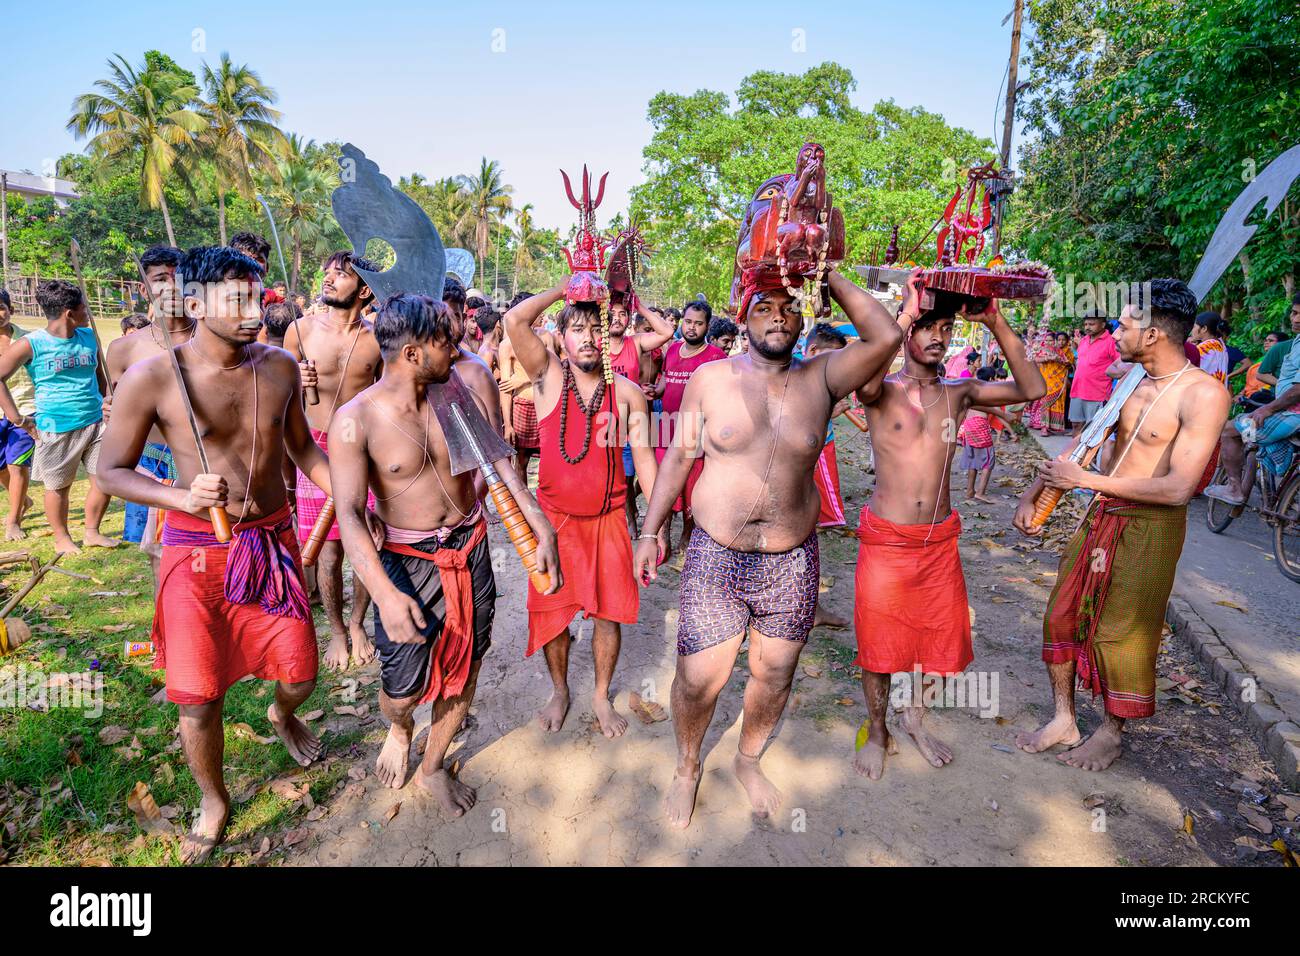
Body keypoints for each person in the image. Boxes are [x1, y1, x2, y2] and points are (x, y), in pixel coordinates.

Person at [633, 269, 902, 828]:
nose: (778, 315)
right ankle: (687, 767)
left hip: (791, 559)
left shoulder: (822, 376)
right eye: (764, 307)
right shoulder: (711, 378)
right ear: (744, 315)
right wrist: (650, 529)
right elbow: (680, 459)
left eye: (788, 306)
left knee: (774, 674)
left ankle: (748, 759)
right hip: (715, 554)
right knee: (699, 678)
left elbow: (885, 339)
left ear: (803, 316)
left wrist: (827, 271)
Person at [96, 245, 331, 862]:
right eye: (239, 298)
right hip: (196, 550)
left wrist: (354, 495)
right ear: (195, 303)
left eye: (259, 296)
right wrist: (179, 494)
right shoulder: (154, 375)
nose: (256, 309)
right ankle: (215, 797)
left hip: (272, 541)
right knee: (199, 696)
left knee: (301, 673)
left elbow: (303, 451)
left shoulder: (280, 366)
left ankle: (283, 717)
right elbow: (110, 471)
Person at [329, 293, 559, 808]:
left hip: (470, 547)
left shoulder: (452, 392)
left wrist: (539, 523)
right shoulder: (355, 419)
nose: (454, 345)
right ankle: (400, 727)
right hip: (406, 565)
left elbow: (499, 462)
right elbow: (348, 513)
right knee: (402, 687)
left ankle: (432, 767)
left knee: (470, 661)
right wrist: (385, 595)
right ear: (411, 354)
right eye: (441, 339)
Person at [1013, 279, 1228, 771]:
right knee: (1061, 615)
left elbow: (1178, 488)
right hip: (1102, 515)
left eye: (1126, 324)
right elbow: (1087, 441)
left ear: (1152, 334)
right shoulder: (1130, 381)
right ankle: (1064, 718)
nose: (1116, 331)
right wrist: (1035, 489)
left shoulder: (1203, 395)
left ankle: (1111, 733)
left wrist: (1085, 480)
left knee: (1123, 633)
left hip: (1152, 527)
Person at [851, 276, 1045, 781]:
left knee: (946, 636)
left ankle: (914, 716)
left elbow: (1033, 389)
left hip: (938, 540)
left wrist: (994, 320)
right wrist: (907, 311)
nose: (938, 336)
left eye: (946, 327)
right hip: (887, 540)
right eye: (928, 327)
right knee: (878, 644)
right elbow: (866, 373)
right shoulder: (881, 391)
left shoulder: (960, 394)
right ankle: (877, 730)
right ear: (910, 330)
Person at [504, 281, 660, 739]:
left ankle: (599, 694)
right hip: (553, 526)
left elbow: (646, 460)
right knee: (552, 612)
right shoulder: (547, 376)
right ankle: (559, 690)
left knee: (609, 615)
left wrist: (654, 528)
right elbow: (514, 321)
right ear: (561, 337)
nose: (589, 337)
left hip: (611, 523)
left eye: (596, 327)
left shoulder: (628, 393)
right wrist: (560, 288)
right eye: (577, 329)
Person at [283, 251, 382, 671]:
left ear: (363, 290)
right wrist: (295, 380)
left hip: (362, 447)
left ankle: (359, 623)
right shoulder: (299, 331)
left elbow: (384, 395)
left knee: (366, 545)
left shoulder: (377, 338)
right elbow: (281, 398)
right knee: (328, 553)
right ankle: (337, 632)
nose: (329, 279)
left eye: (340, 274)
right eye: (328, 272)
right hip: (315, 448)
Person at [0, 279, 117, 554]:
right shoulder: (32, 344)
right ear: (69, 313)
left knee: (103, 479)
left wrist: (106, 399)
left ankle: (92, 532)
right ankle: (62, 538)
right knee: (59, 487)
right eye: (83, 308)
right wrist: (17, 418)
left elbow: (99, 373)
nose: (87, 312)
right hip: (56, 426)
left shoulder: (89, 336)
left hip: (96, 422)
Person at [105, 245, 189, 583]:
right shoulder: (124, 349)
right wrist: (111, 409)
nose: (170, 287)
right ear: (144, 289)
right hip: (152, 460)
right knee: (160, 555)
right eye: (159, 280)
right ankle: (167, 634)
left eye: (178, 278)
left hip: (206, 459)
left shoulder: (215, 339)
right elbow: (115, 406)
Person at [644, 300, 727, 556]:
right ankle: (663, 536)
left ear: (707, 326)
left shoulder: (716, 357)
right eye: (688, 322)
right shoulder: (672, 350)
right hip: (666, 428)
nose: (691, 328)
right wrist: (653, 391)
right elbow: (666, 382)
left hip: (696, 433)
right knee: (664, 484)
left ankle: (688, 534)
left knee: (692, 489)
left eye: (698, 323)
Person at [1205, 295, 1300, 505]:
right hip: (1285, 409)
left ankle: (1234, 488)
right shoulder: (1295, 343)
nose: (1294, 318)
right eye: (1293, 313)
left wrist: (1268, 409)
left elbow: (1297, 390)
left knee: (1230, 430)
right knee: (1250, 430)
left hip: (1292, 413)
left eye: (1296, 313)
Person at [605, 294, 675, 533]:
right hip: (607, 426)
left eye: (622, 314)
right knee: (622, 479)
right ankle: (631, 515)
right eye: (612, 314)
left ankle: (655, 528)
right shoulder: (597, 345)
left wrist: (639, 305)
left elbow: (666, 332)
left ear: (629, 320)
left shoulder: (634, 343)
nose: (617, 318)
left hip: (637, 423)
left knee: (647, 474)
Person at [0, 290, 35, 539]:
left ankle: (14, 520)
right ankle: (22, 499)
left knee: (17, 465)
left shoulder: (30, 340)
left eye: (1, 307)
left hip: (26, 410)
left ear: (10, 308)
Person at [958, 368, 1015, 502]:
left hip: (969, 427)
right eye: (994, 378)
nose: (995, 380)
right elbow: (997, 413)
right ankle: (981, 492)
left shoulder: (973, 391)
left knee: (973, 460)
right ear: (990, 380)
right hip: (980, 427)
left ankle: (970, 490)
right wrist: (1009, 423)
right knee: (988, 462)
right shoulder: (987, 394)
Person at [1069, 310, 1119, 436]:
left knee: (1092, 429)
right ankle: (1074, 454)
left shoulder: (1111, 342)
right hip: (1077, 390)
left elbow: (1120, 364)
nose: (1087, 327)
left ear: (1102, 325)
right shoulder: (1084, 340)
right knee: (1076, 424)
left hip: (1098, 393)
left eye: (1091, 324)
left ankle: (1090, 456)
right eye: (1085, 324)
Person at [1025, 329, 1073, 435]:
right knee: (1045, 402)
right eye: (1047, 340)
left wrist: (1058, 359)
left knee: (1056, 403)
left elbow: (1069, 364)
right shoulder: (1043, 349)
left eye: (1051, 341)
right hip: (1045, 380)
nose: (1048, 343)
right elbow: (1034, 359)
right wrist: (1047, 358)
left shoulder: (1064, 351)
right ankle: (1044, 427)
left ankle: (1053, 426)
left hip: (1059, 381)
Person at [1191, 311, 1230, 383]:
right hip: (1217, 390)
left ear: (1204, 328)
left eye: (1194, 326)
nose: (1192, 330)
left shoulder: (1205, 347)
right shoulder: (1220, 344)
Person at [475, 307, 504, 380]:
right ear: (498, 324)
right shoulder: (487, 351)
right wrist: (500, 375)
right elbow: (482, 382)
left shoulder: (492, 348)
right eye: (502, 321)